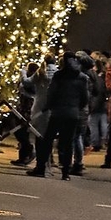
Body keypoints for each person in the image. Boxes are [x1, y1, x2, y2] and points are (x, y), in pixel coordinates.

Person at [26, 50, 89, 181]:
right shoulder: (82, 77)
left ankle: (41, 167)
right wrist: (77, 108)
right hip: (73, 114)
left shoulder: (59, 75)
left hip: (58, 112)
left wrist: (49, 106)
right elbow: (85, 98)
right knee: (68, 142)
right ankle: (65, 172)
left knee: (47, 140)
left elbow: (52, 93)